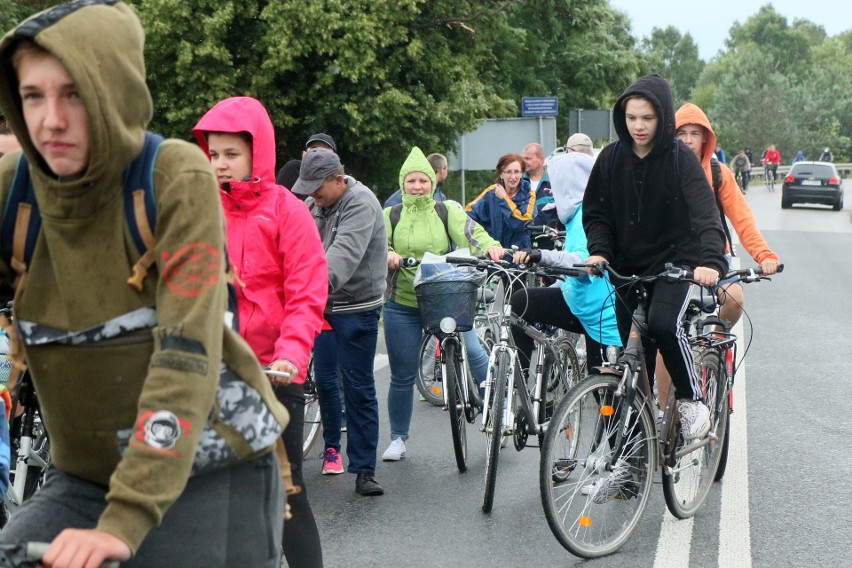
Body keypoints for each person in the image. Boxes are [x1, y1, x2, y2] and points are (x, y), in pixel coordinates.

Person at [0, 3, 288, 567]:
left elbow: (185, 354)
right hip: (84, 475)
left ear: (115, 91)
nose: (50, 120)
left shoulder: (172, 177)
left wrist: (125, 521)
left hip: (208, 464)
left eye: (74, 94)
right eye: (32, 96)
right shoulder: (17, 192)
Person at [193, 96, 328, 568]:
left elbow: (306, 293)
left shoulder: (287, 211)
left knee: (286, 497)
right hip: (206, 372)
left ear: (257, 153)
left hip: (274, 373)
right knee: (202, 499)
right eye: (214, 154)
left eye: (231, 154)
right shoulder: (197, 210)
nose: (221, 164)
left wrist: (291, 356)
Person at [582, 75, 727, 456]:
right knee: (635, 364)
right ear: (622, 118)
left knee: (664, 325)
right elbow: (596, 213)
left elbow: (706, 215)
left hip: (674, 266)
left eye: (647, 117)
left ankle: (693, 402)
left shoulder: (680, 159)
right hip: (627, 270)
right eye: (631, 118)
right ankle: (630, 462)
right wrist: (599, 250)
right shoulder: (611, 158)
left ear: (662, 117)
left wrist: (710, 261)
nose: (639, 126)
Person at [382, 147, 503, 462]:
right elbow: (378, 243)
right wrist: (388, 254)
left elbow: (472, 233)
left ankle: (499, 408)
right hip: (403, 302)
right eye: (412, 181)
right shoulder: (390, 215)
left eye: (423, 180)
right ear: (403, 183)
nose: (418, 186)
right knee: (401, 373)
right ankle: (397, 438)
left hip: (445, 296)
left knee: (475, 351)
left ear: (431, 182)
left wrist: (491, 247)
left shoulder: (445, 211)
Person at [664, 102, 780, 409]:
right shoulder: (661, 171)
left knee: (734, 297)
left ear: (706, 139)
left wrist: (764, 254)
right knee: (665, 335)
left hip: (713, 258)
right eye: (681, 134)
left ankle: (714, 345)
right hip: (672, 260)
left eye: (694, 134)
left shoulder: (718, 173)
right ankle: (663, 415)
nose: (688, 140)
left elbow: (743, 221)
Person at [291, 148, 387, 496]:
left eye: (318, 187)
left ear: (338, 178)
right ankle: (292, 462)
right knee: (296, 376)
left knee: (357, 386)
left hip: (355, 305)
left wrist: (300, 291)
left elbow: (339, 259)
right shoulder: (311, 206)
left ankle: (364, 469)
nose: (312, 195)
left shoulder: (362, 203)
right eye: (308, 188)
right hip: (317, 301)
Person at [509, 148, 621, 373]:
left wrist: (542, 256)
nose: (552, 189)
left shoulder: (586, 215)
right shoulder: (577, 213)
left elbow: (581, 262)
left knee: (604, 391)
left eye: (556, 182)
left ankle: (521, 378)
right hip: (580, 304)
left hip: (599, 313)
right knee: (521, 302)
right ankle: (519, 383)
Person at [465, 153, 535, 249]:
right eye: (509, 172)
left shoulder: (529, 195)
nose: (513, 177)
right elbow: (468, 214)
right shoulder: (491, 193)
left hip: (520, 256)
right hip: (494, 254)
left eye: (517, 172)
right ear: (501, 174)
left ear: (522, 174)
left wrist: (504, 199)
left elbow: (521, 223)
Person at [383, 152, 449, 207]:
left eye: (423, 181)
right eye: (411, 181)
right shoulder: (394, 204)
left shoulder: (441, 196)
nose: (417, 187)